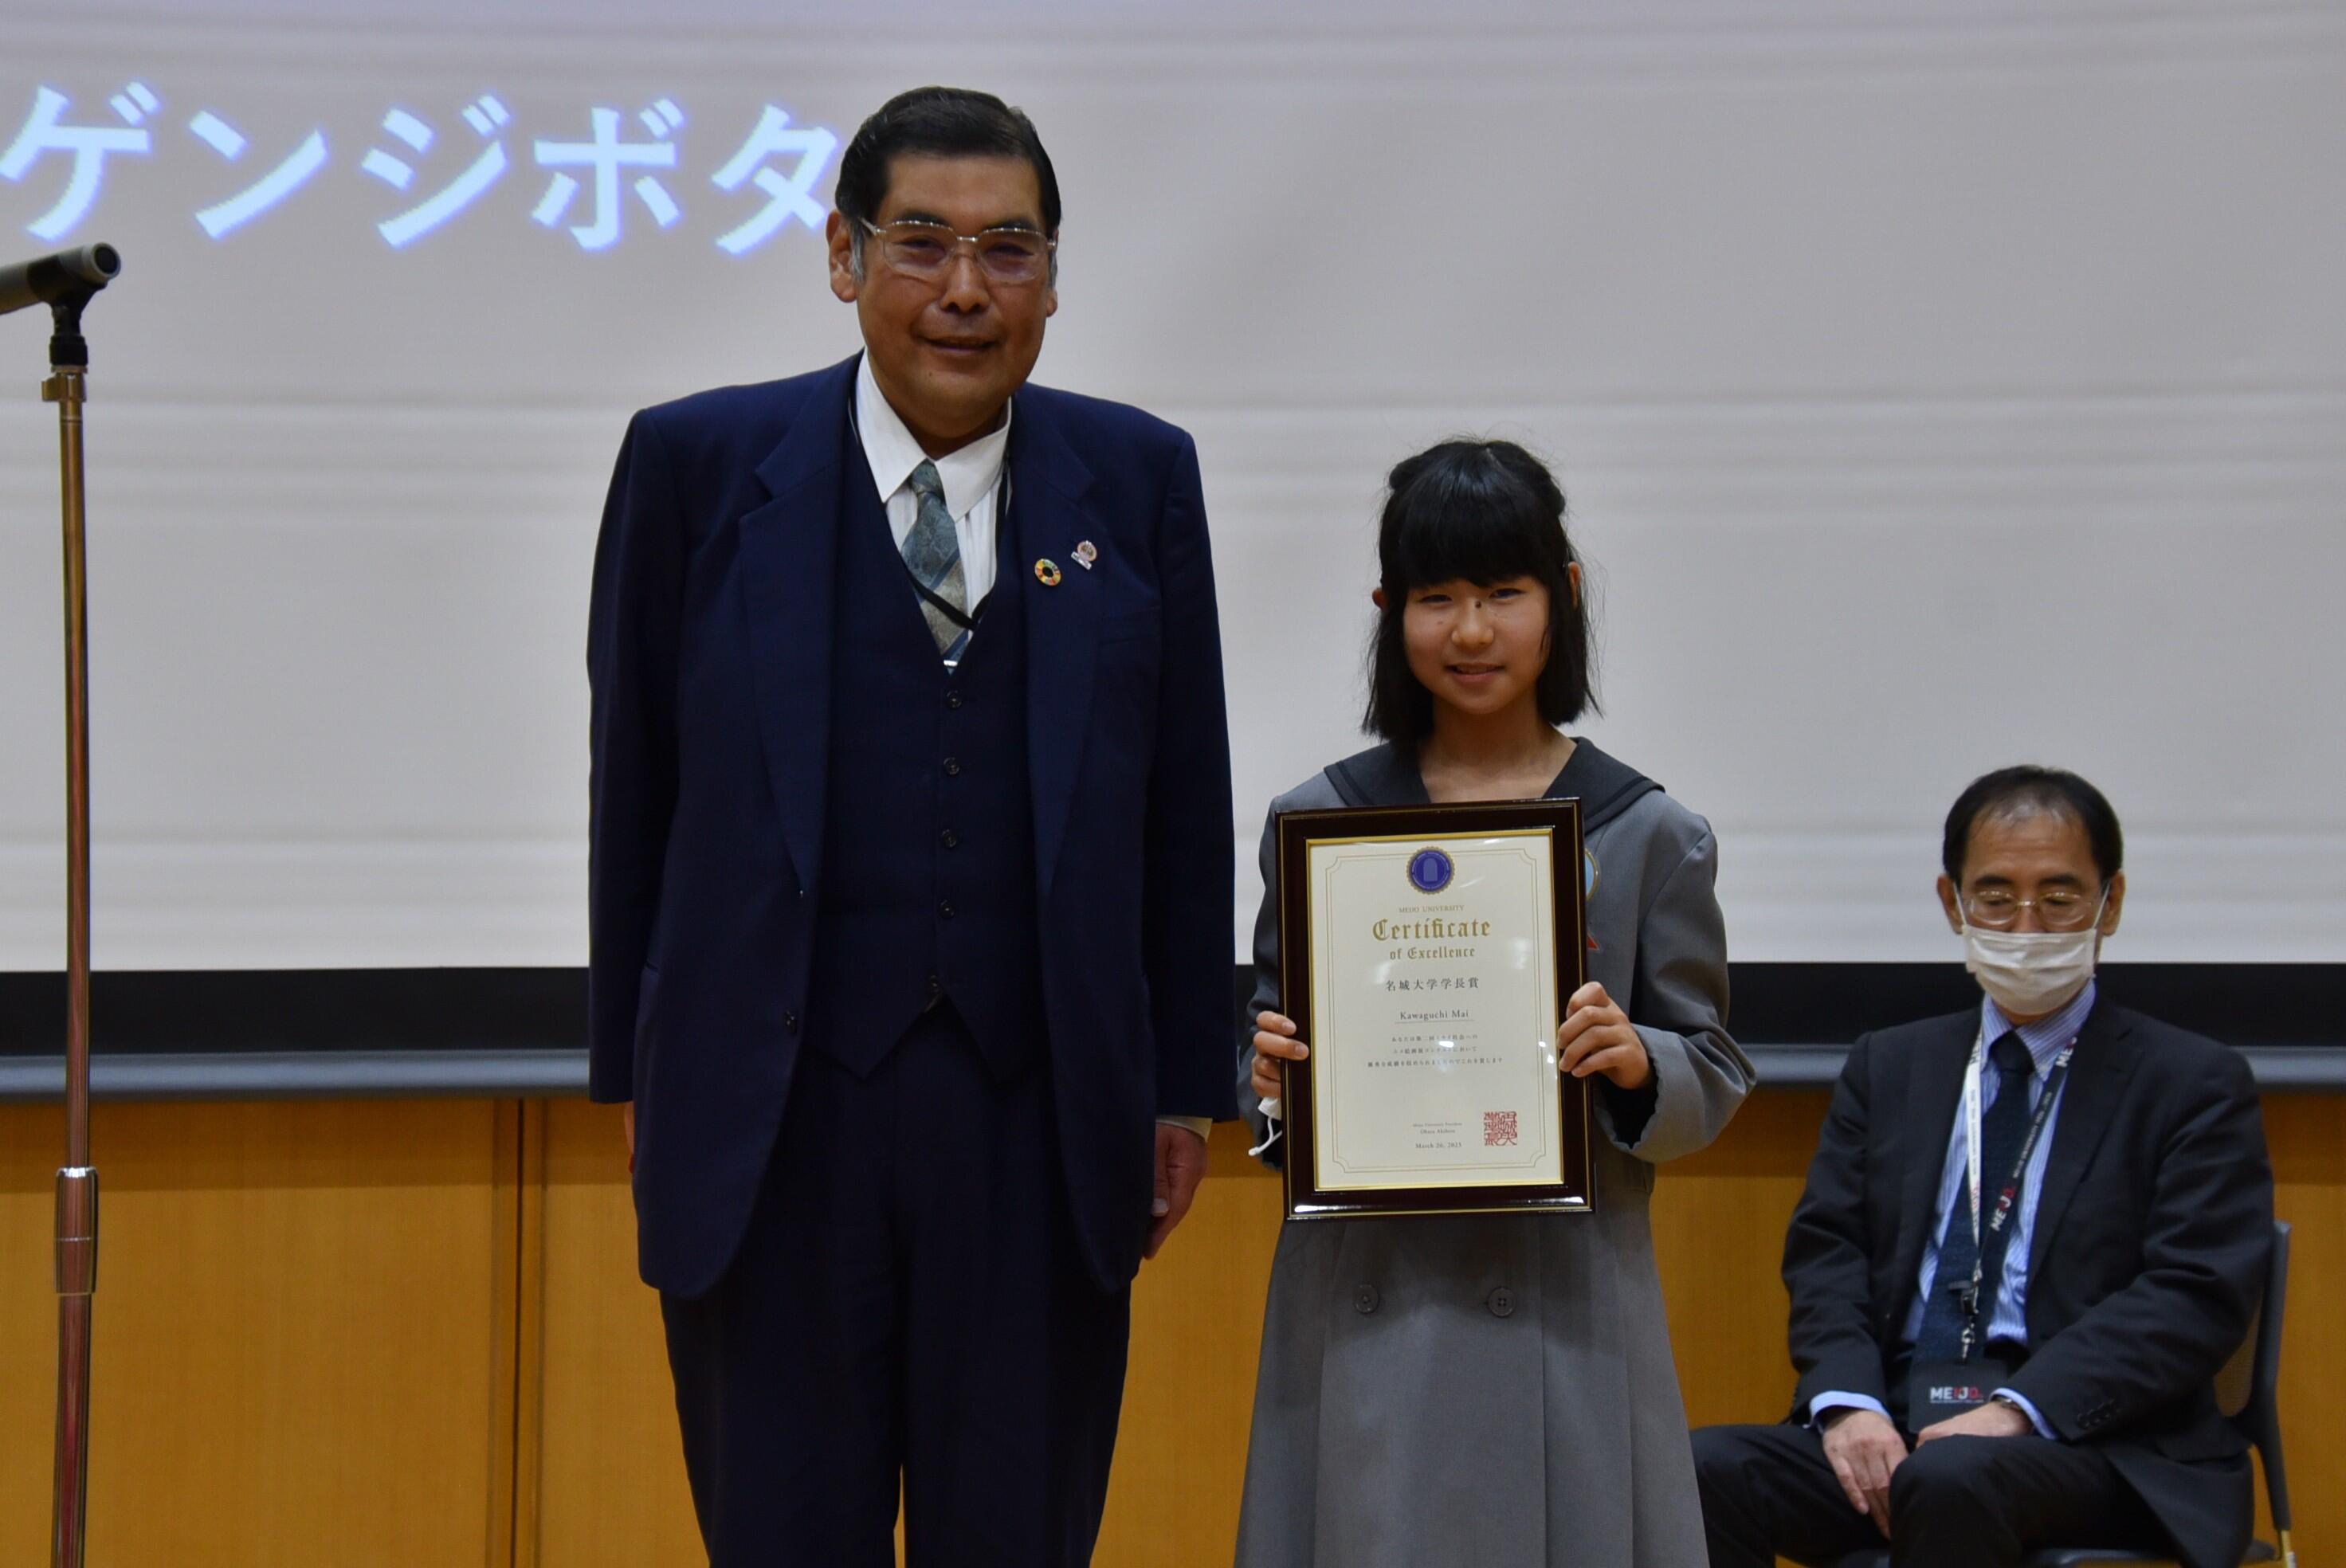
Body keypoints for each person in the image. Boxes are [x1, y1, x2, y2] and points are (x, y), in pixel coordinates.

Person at [585, 86, 1234, 1567]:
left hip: (1040, 1113)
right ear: (840, 256)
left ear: (1054, 277)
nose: (962, 290)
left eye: (1007, 250)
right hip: (772, 1115)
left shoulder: (1135, 478)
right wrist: (640, 1068)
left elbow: (1177, 803)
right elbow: (636, 788)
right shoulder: (698, 468)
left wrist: (1181, 1082)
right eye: (920, 243)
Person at [1234, 438, 1753, 1567]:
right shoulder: (1319, 825)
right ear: (1390, 610)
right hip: (1369, 1309)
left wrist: (1636, 1060)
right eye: (1438, 598)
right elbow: (1273, 1044)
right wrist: (1270, 1078)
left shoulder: (1650, 831)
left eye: (1503, 594)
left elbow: (1709, 1066)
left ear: (1560, 601)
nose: (1471, 632)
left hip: (1564, 1309)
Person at [1691, 766, 2275, 1568]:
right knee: (1704, 1470)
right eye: (1995, 897)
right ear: (1950, 902)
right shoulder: (1890, 1067)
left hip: (2098, 1443)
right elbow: (1829, 1252)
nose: (2026, 924)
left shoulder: (2190, 1083)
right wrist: (1848, 1405)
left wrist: (2017, 1408)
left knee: (1952, 1477)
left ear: (2111, 904)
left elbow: (2193, 1295)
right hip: (1905, 1421)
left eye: (2060, 898)